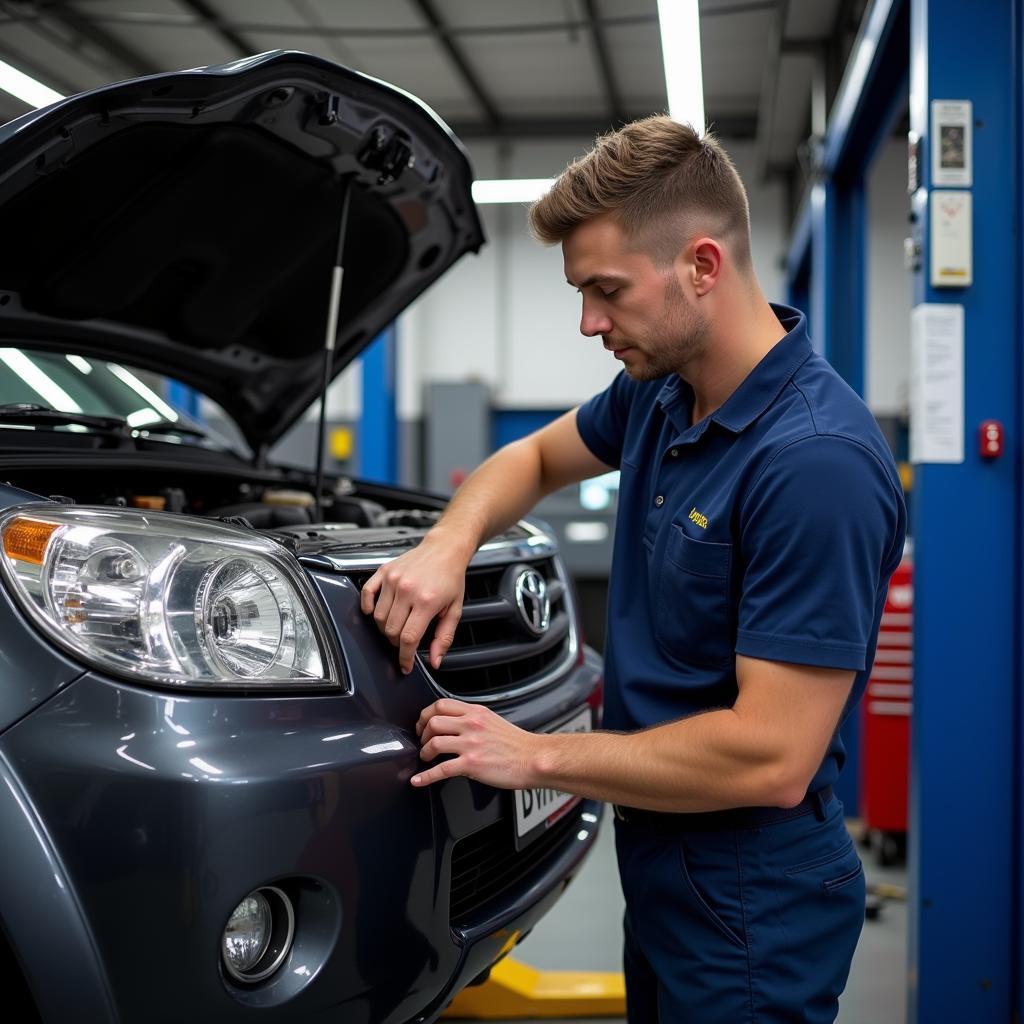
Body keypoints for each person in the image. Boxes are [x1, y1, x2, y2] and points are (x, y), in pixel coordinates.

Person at [360, 116, 907, 1023]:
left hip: (750, 890)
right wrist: (446, 545)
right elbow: (530, 459)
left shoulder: (815, 465)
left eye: (606, 291)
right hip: (662, 851)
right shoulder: (663, 390)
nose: (589, 324)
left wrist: (534, 755)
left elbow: (771, 757)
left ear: (702, 265)